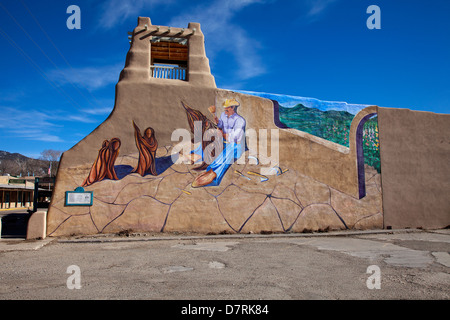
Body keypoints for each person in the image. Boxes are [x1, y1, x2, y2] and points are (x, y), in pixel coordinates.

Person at [192, 98, 246, 187]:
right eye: (224, 108)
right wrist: (218, 122)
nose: (225, 111)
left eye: (227, 109)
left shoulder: (240, 120)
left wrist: (222, 134)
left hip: (236, 144)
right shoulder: (223, 115)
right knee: (209, 139)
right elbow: (221, 125)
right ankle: (198, 154)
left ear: (232, 107)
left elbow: (235, 137)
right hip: (224, 141)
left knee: (229, 150)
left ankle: (214, 172)